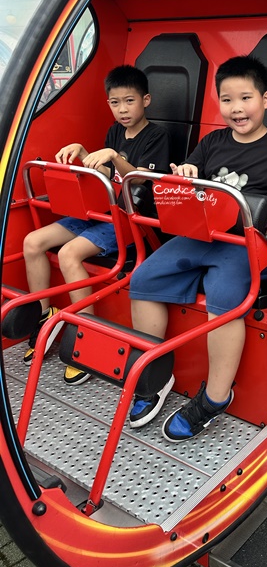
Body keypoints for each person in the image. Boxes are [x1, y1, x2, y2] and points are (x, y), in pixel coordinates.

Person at [127, 55, 267, 436]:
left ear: (265, 99)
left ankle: (216, 397)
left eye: (246, 98)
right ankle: (154, 374)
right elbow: (188, 182)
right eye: (227, 100)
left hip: (253, 245)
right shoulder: (212, 142)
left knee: (224, 297)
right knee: (144, 278)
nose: (237, 108)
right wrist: (185, 174)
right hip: (207, 236)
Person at [22, 65, 170, 384]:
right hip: (100, 212)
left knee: (68, 255)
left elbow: (140, 179)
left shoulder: (157, 135)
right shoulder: (113, 132)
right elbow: (105, 176)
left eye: (129, 101)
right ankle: (45, 315)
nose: (122, 109)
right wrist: (85, 154)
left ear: (146, 100)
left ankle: (87, 337)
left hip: (130, 221)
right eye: (114, 103)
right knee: (32, 242)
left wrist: (112, 155)